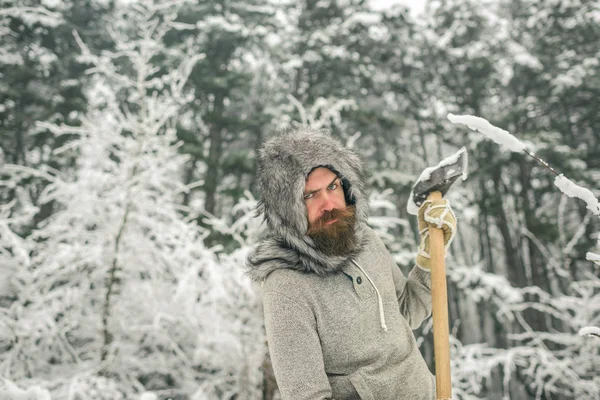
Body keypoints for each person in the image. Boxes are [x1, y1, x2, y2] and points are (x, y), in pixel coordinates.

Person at [246, 127, 457, 400]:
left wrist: (430, 256)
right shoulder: (287, 286)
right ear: (288, 209)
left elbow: (405, 311)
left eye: (332, 186)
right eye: (310, 195)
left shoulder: (364, 239)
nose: (328, 203)